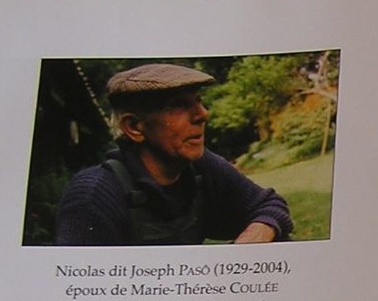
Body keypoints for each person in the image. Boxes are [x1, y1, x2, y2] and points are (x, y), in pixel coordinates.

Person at [55, 63, 292, 246]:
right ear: (135, 127)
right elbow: (81, 297)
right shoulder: (93, 197)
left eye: (198, 101)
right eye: (178, 105)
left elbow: (270, 205)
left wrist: (248, 244)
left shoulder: (200, 165)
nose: (202, 114)